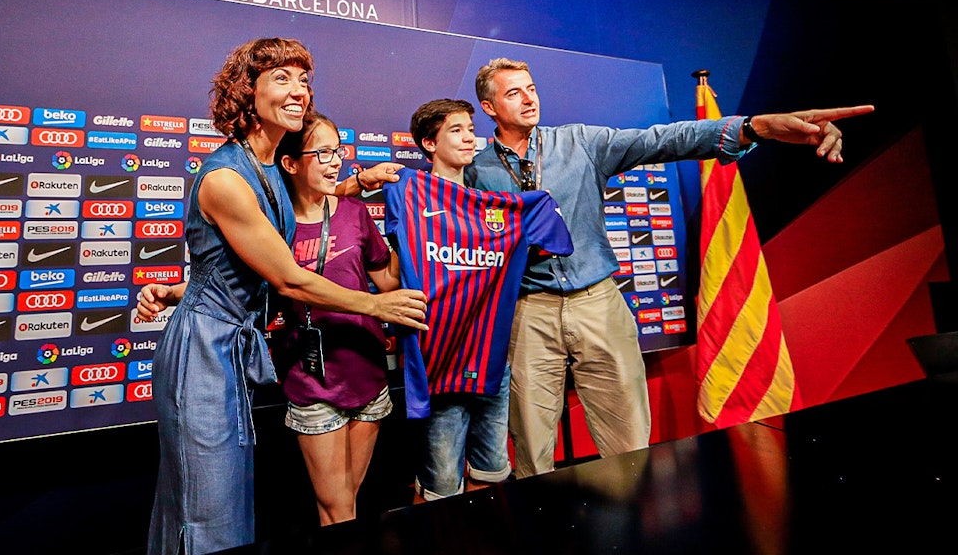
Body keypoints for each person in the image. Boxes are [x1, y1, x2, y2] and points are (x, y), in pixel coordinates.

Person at [465, 57, 874, 478]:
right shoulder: (475, 171)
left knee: (629, 444)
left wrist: (756, 127)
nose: (529, 99)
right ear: (489, 107)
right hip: (527, 312)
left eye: (531, 88)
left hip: (598, 304)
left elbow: (664, 139)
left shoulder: (580, 142)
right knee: (531, 448)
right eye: (514, 93)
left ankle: (632, 525)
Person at [133, 38, 427, 555]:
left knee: (228, 496)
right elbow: (288, 277)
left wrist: (177, 288)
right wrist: (376, 305)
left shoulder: (270, 163)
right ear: (246, 91)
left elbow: (279, 231)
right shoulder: (226, 177)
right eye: (281, 78)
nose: (299, 91)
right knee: (208, 502)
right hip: (202, 352)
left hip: (228, 344)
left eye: (304, 79)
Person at [384, 99, 572, 501]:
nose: (470, 136)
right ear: (428, 143)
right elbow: (392, 267)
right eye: (456, 129)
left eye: (471, 127)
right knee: (441, 487)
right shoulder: (407, 189)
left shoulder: (500, 204)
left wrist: (539, 208)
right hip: (438, 360)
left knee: (491, 472)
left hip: (490, 360)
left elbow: (554, 241)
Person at [273, 111, 401, 526]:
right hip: (314, 381)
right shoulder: (273, 225)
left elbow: (388, 280)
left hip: (367, 371)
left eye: (338, 151)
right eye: (323, 152)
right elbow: (232, 285)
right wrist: (172, 293)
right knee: (336, 508)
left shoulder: (353, 212)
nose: (335, 162)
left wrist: (423, 231)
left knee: (349, 498)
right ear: (290, 163)